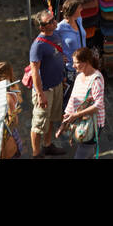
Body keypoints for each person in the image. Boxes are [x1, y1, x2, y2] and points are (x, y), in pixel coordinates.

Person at [28, 9, 69, 157]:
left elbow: (56, 53)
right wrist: (40, 94)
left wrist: (61, 60)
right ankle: (36, 153)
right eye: (50, 22)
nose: (54, 22)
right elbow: (35, 72)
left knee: (51, 118)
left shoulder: (56, 34)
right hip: (45, 90)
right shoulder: (37, 46)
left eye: (53, 19)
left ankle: (47, 145)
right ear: (42, 27)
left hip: (57, 84)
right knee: (39, 124)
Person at [59, 46, 105, 159]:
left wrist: (76, 115)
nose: (73, 66)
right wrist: (63, 123)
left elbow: (98, 105)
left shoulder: (96, 80)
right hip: (81, 123)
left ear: (86, 62)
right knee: (86, 153)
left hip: (93, 124)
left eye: (76, 63)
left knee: (82, 154)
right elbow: (72, 99)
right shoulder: (79, 77)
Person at [0, 61, 22, 159]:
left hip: (6, 137)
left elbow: (14, 121)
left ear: (3, 77)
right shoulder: (3, 91)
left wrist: (3, 139)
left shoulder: (7, 96)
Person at [56, 0, 87, 80]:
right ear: (73, 11)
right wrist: (58, 56)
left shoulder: (79, 20)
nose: (82, 9)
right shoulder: (60, 27)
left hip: (84, 63)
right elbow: (49, 42)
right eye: (79, 8)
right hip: (72, 68)